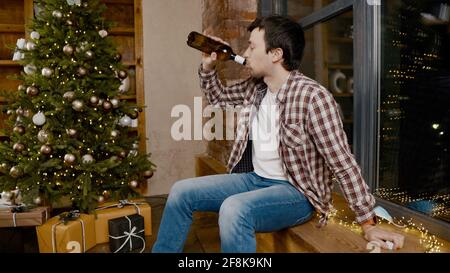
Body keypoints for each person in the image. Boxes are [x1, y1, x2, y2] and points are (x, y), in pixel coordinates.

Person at [152, 15, 405, 253]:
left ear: (276, 54)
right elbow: (218, 97)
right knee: (181, 191)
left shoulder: (313, 98)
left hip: (297, 193)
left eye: (252, 47)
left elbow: (343, 162)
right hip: (254, 179)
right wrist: (208, 65)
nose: (245, 53)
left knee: (233, 209)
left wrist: (368, 223)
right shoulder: (255, 88)